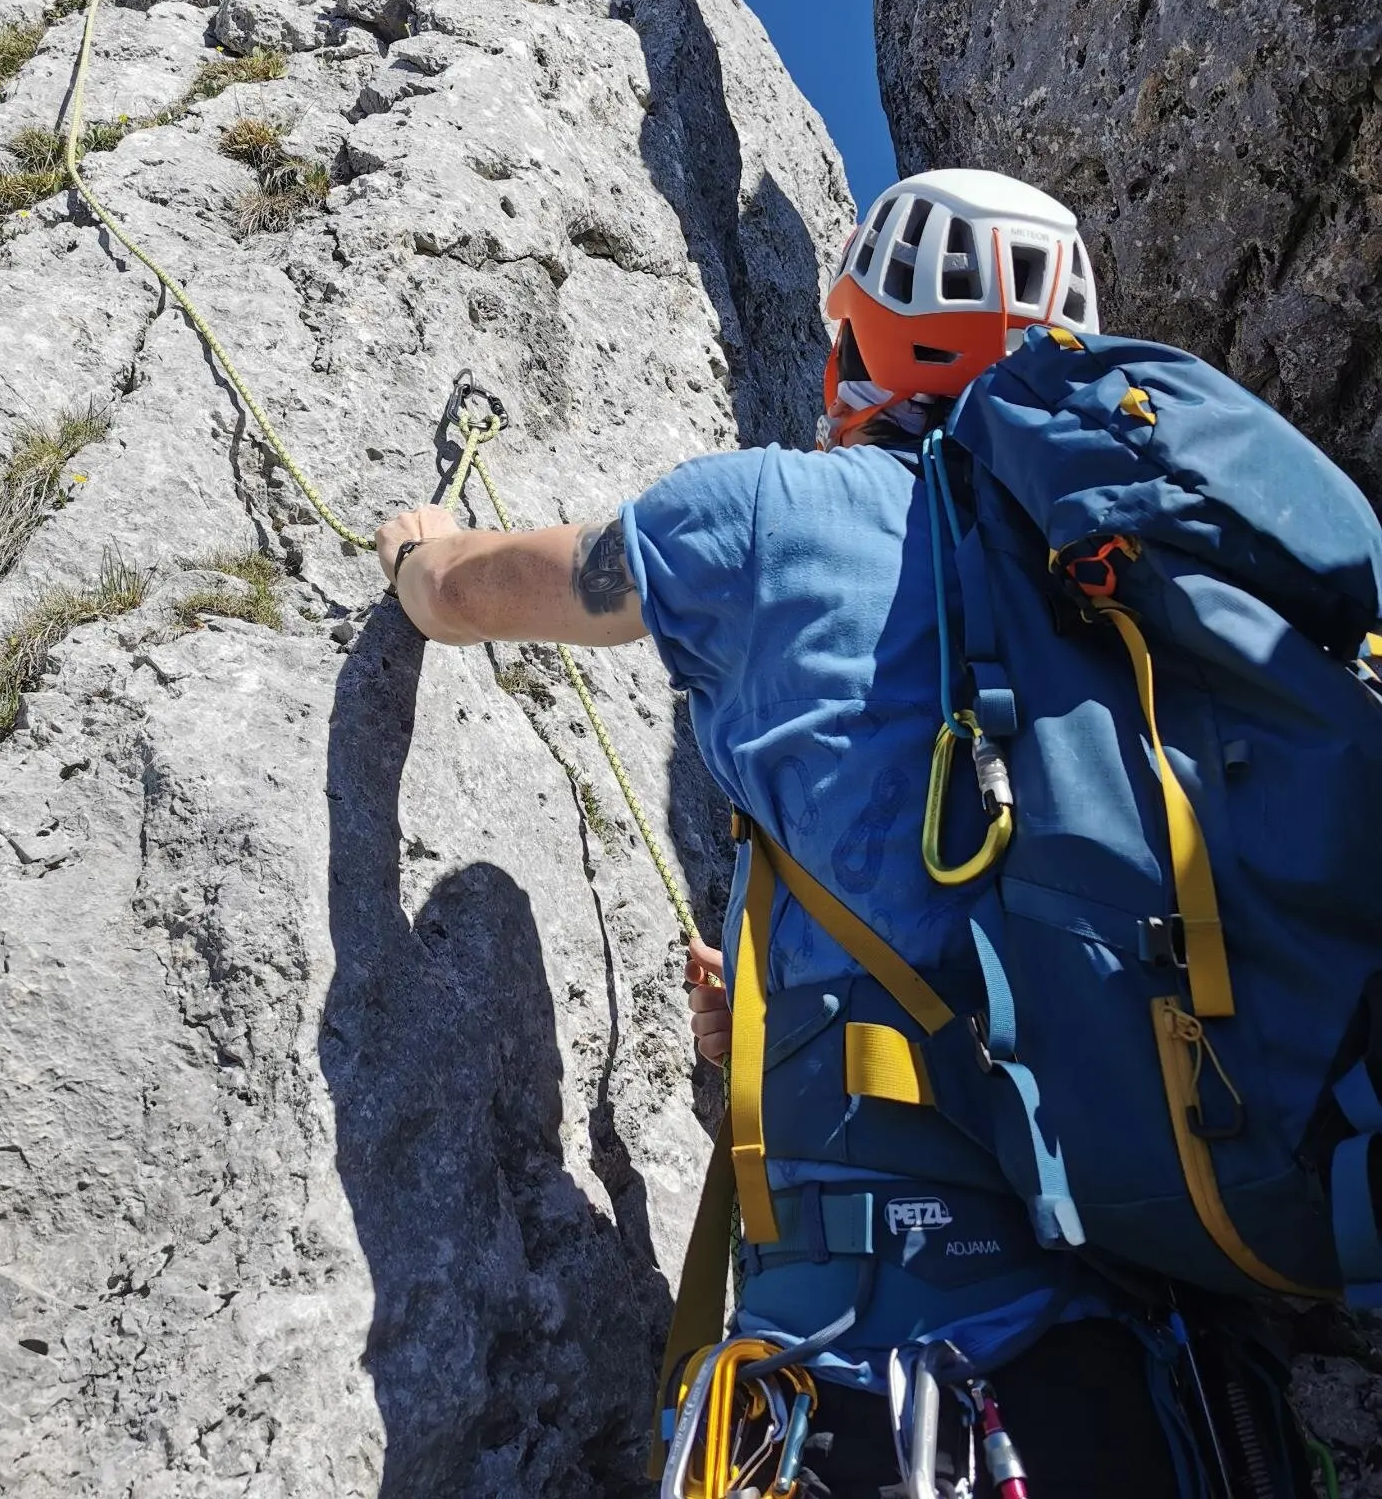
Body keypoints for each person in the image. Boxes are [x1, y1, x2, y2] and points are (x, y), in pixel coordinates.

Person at [374, 171, 1217, 1497]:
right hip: (1133, 1379)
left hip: (870, 1378)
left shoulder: (766, 515)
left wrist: (422, 558)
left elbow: (492, 593)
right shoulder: (1121, 593)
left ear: (866, 340)